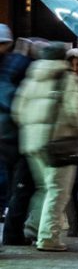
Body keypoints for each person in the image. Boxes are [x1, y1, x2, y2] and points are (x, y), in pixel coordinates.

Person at [17, 45, 78, 251]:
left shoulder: (32, 77)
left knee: (43, 188)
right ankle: (48, 237)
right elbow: (76, 111)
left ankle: (33, 227)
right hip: (58, 142)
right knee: (58, 191)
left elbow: (18, 110)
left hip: (32, 143)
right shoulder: (67, 78)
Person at [0, 24, 32, 247]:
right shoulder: (19, 65)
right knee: (19, 187)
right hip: (14, 135)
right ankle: (12, 233)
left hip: (9, 135)